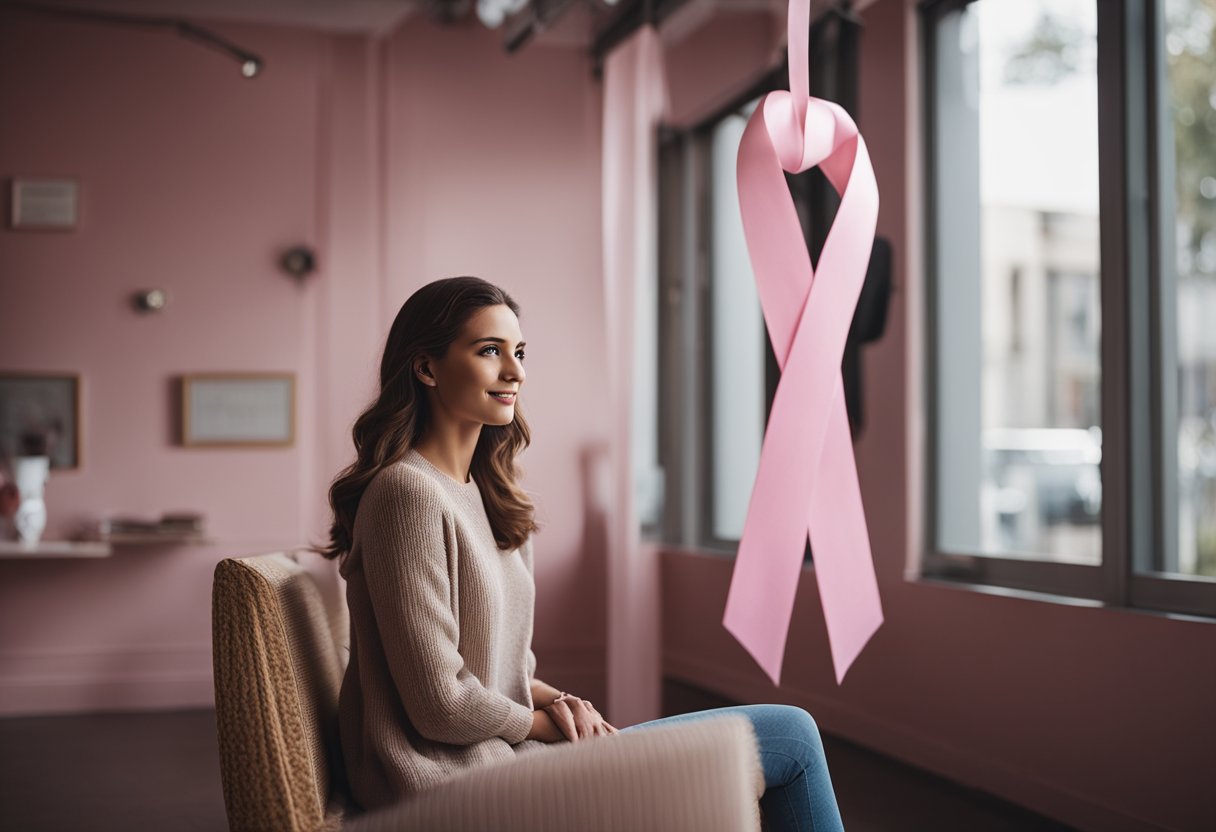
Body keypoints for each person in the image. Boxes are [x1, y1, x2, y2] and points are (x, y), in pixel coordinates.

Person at [317, 276, 846, 831]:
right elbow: (440, 702)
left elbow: (507, 672)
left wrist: (566, 703)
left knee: (783, 737)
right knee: (790, 736)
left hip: (506, 762)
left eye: (518, 352)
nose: (515, 371)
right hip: (450, 786)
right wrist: (546, 726)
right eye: (489, 351)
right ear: (426, 368)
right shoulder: (407, 494)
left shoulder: (487, 497)